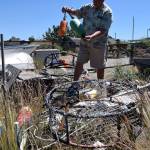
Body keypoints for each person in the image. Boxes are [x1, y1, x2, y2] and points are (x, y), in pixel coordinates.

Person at [62, 0, 113, 80]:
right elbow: (78, 12)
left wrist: (92, 36)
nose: (94, 2)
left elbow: (103, 29)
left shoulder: (107, 12)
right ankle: (74, 85)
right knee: (79, 63)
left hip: (98, 44)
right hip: (84, 42)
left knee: (99, 67)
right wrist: (68, 10)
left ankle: (100, 87)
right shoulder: (88, 7)